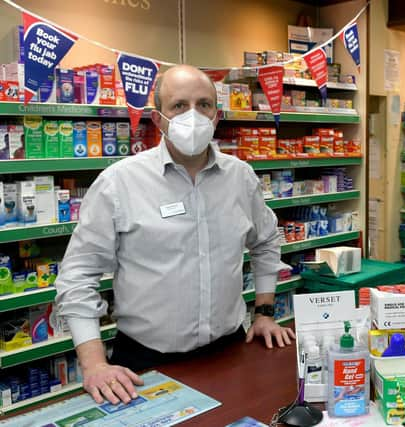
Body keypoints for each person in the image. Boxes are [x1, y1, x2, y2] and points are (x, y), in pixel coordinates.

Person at [54, 64, 296, 406]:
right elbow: (78, 275)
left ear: (217, 116)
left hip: (229, 350)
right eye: (179, 106)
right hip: (145, 361)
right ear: (158, 119)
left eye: (204, 105)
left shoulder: (240, 177)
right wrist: (94, 364)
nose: (193, 115)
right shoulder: (119, 182)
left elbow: (266, 241)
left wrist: (266, 311)